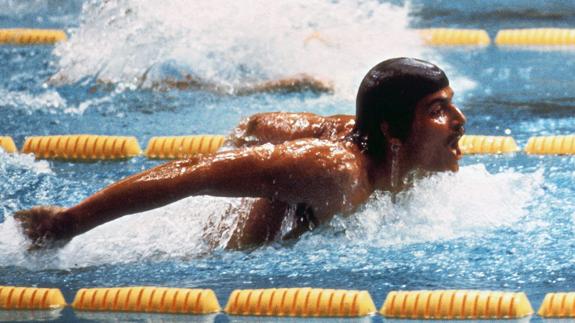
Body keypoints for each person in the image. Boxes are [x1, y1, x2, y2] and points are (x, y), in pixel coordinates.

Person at [14, 57, 466, 250]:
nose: (460, 120)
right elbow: (194, 173)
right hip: (286, 163)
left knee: (270, 137)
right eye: (438, 110)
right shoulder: (334, 172)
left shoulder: (390, 154)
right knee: (261, 213)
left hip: (295, 138)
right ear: (391, 131)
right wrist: (70, 222)